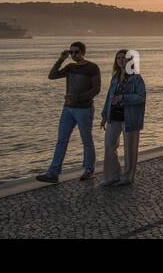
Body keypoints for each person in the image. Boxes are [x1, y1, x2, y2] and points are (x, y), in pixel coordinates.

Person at [37, 41, 102, 183]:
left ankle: (89, 169)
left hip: (84, 109)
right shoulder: (70, 67)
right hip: (68, 109)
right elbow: (52, 76)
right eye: (71, 52)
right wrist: (61, 59)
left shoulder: (92, 67)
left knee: (86, 141)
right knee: (61, 140)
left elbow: (96, 89)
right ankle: (53, 173)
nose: (73, 55)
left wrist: (78, 97)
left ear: (83, 52)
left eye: (76, 52)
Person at [100, 49, 146, 187]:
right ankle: (112, 176)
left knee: (130, 148)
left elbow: (141, 97)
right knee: (109, 144)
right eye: (118, 58)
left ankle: (128, 177)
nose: (120, 60)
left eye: (123, 58)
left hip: (130, 117)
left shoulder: (136, 78)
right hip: (114, 116)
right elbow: (109, 97)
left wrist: (123, 98)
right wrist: (104, 115)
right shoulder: (115, 77)